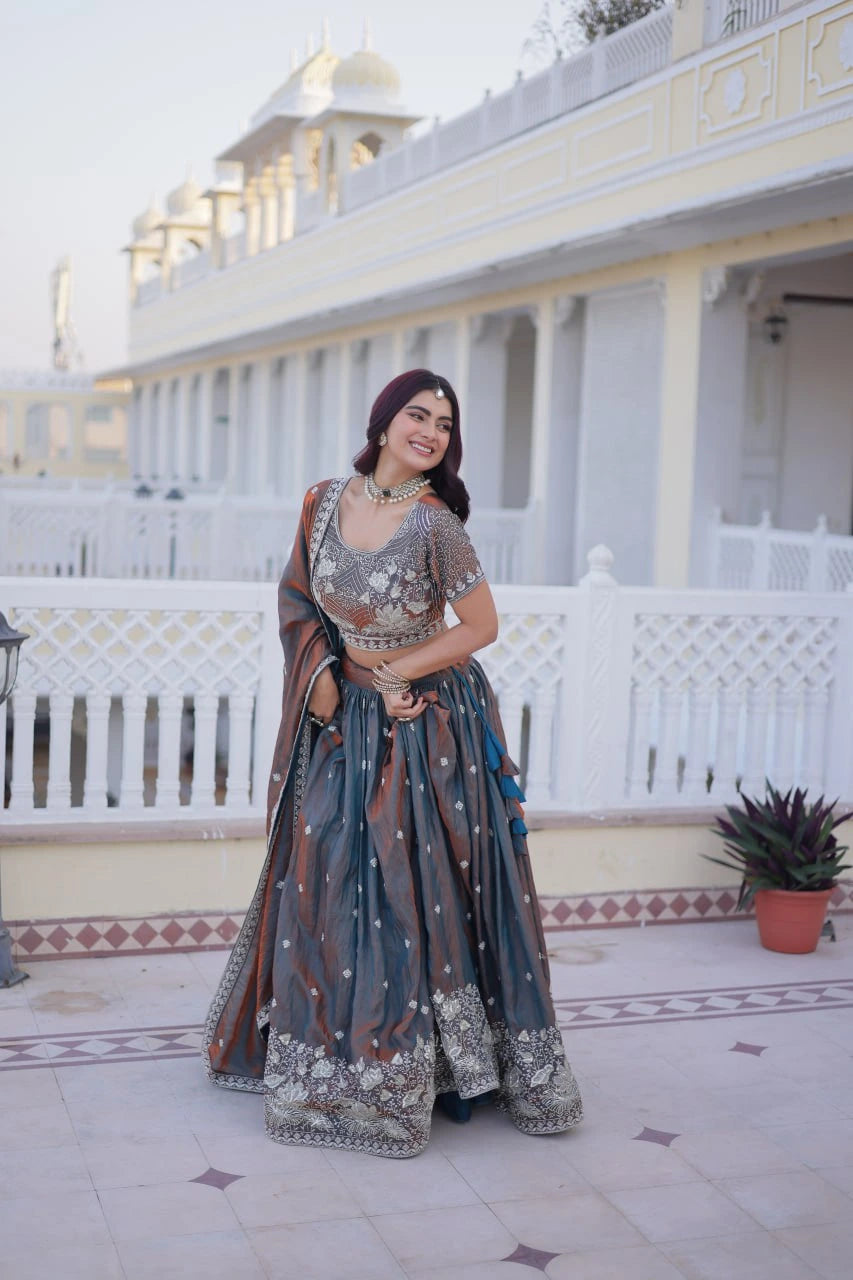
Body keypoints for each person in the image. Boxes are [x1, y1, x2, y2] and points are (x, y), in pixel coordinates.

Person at [203, 368, 583, 1158]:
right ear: (383, 422)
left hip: (424, 725)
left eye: (443, 424)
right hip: (342, 712)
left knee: (416, 895)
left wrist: (401, 670)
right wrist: (326, 682)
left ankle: (424, 1069)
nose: (430, 432)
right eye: (418, 414)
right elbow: (297, 602)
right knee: (329, 876)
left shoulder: (436, 523)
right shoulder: (320, 503)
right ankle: (332, 1064)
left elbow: (480, 625)